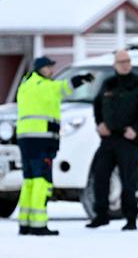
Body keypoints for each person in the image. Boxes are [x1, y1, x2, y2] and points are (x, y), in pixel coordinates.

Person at [16, 57, 93, 235]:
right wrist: (81, 79)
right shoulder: (44, 86)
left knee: (29, 181)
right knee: (42, 182)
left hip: (25, 139)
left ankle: (25, 223)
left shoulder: (26, 85)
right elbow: (63, 88)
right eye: (49, 67)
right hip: (41, 139)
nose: (51, 71)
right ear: (40, 69)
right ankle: (38, 225)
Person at [86, 49, 138, 231]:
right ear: (115, 64)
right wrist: (99, 123)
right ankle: (101, 215)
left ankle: (131, 218)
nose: (124, 64)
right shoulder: (108, 83)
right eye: (121, 61)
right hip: (108, 139)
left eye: (127, 61)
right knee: (100, 176)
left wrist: (136, 129)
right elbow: (97, 106)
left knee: (128, 180)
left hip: (128, 139)